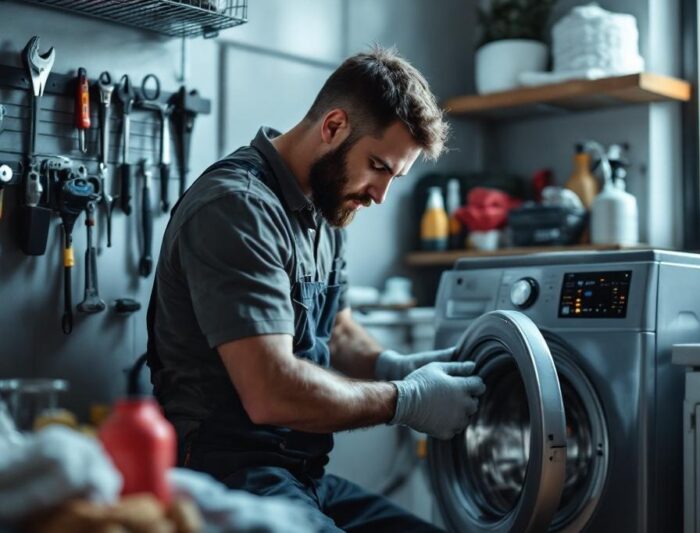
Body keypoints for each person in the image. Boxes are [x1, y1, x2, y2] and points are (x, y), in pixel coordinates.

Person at [145, 47, 485, 532]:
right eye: (378, 166)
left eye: (394, 176)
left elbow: (337, 331)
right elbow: (271, 392)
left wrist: (396, 366)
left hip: (302, 476)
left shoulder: (326, 209)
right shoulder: (236, 208)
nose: (380, 195)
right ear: (334, 126)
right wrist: (406, 400)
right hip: (227, 477)